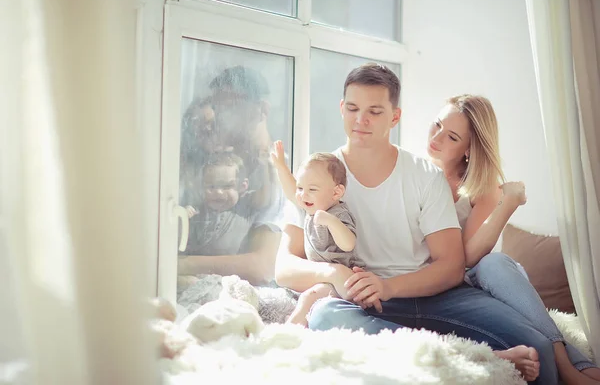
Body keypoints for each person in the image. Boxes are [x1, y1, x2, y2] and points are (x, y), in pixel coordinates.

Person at [275, 63, 558, 384]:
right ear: (342, 108)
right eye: (352, 108)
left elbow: (452, 267)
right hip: (361, 302)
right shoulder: (315, 175)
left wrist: (389, 286)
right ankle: (469, 354)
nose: (360, 120)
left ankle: (461, 350)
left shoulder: (426, 175)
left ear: (395, 117)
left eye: (374, 111)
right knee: (326, 315)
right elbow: (283, 268)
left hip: (435, 296)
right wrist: (333, 274)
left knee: (539, 348)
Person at [427, 94, 600, 385]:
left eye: (452, 136)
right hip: (443, 284)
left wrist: (506, 203)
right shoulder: (416, 175)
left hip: (484, 280)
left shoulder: (480, 188)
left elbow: (467, 260)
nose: (437, 137)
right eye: (437, 125)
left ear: (469, 149)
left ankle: (568, 368)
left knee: (493, 264)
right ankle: (575, 364)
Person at [177, 66, 283, 285]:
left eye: (230, 106)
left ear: (261, 110)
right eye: (218, 106)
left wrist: (179, 264)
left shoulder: (275, 177)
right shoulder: (214, 164)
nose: (219, 116)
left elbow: (262, 267)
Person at [270, 140, 362, 325]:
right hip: (321, 275)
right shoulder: (311, 207)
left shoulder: (337, 213)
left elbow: (348, 243)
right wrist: (281, 167)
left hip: (338, 282)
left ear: (336, 193)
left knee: (308, 299)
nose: (303, 195)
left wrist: (331, 222)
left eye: (312, 189)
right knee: (293, 295)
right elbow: (290, 191)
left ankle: (289, 332)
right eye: (301, 188)